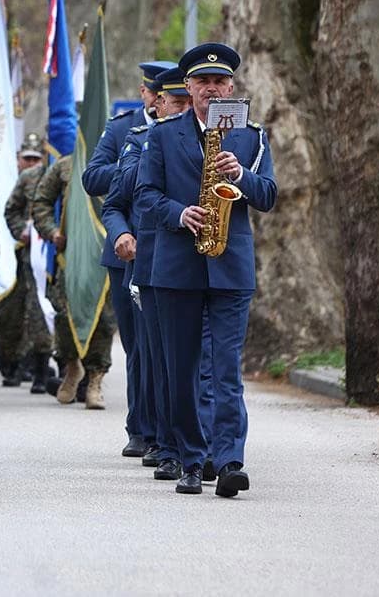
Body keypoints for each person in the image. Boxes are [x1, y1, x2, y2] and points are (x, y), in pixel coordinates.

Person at [136, 43, 276, 497]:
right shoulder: (162, 135)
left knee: (225, 368)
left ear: (231, 87)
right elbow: (144, 196)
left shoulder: (250, 136)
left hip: (230, 267)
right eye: (203, 83)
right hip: (177, 267)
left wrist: (242, 177)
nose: (212, 89)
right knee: (182, 369)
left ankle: (230, 458)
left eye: (220, 82)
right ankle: (192, 460)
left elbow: (269, 194)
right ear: (190, 88)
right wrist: (180, 214)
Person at [103, 67, 197, 479]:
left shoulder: (222, 142)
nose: (181, 111)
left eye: (186, 103)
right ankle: (157, 435)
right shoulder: (139, 140)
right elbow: (113, 198)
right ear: (157, 104)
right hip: (150, 262)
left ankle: (197, 441)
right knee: (151, 354)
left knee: (196, 360)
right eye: (174, 103)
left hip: (204, 264)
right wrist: (123, 234)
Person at [81, 60, 172, 454]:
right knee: (138, 346)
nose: (159, 101)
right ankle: (140, 426)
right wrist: (133, 161)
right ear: (146, 93)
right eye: (155, 93)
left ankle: (164, 431)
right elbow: (92, 177)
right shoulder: (122, 130)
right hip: (126, 251)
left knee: (162, 348)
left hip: (168, 249)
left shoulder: (186, 131)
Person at [32, 155, 117, 408]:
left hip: (103, 255)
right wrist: (52, 231)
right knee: (64, 317)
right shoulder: (65, 165)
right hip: (69, 257)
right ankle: (71, 367)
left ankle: (95, 381)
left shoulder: (116, 160)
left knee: (103, 319)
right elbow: (41, 202)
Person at [0, 133, 47, 388]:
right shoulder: (24, 180)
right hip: (23, 255)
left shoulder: (54, 175)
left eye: (36, 159)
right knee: (13, 311)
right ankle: (12, 360)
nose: (31, 164)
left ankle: (43, 367)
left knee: (42, 309)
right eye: (27, 159)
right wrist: (22, 230)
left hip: (50, 253)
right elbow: (11, 210)